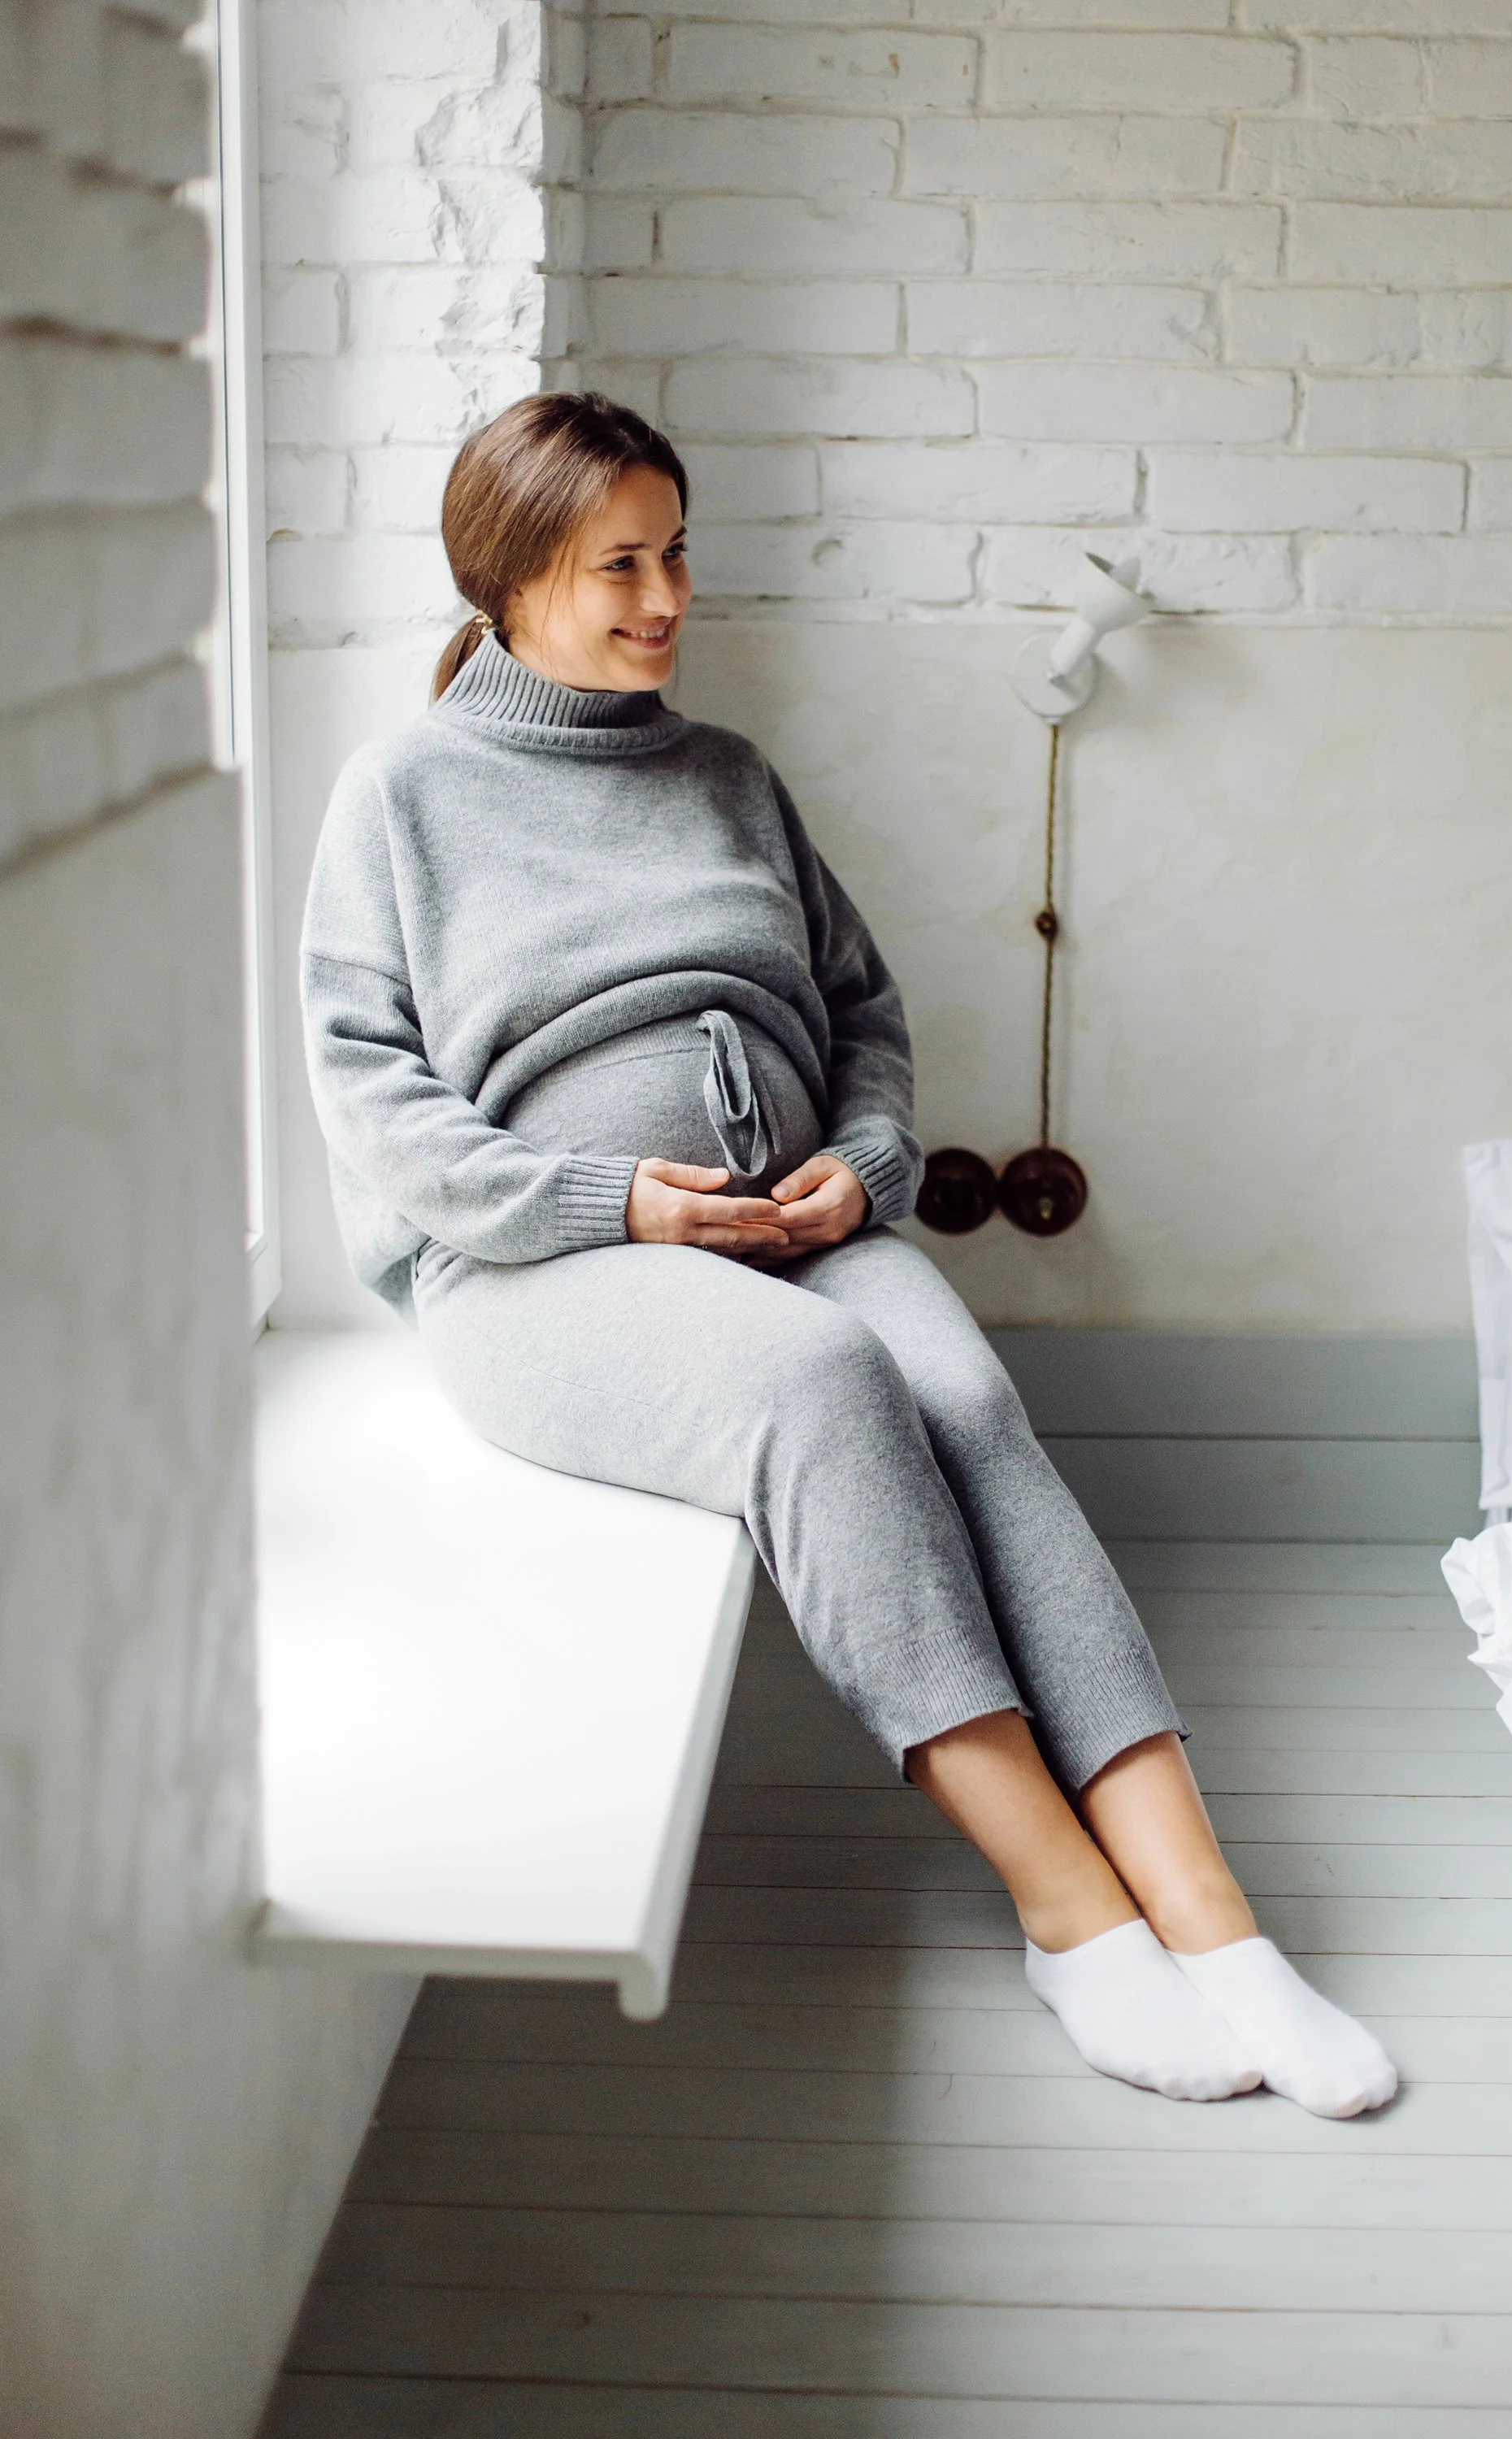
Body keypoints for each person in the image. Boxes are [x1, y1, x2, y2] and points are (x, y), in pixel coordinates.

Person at [302, 391, 1397, 2119]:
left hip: (789, 1218)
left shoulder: (727, 773)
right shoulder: (403, 798)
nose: (666, 599)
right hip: (540, 1270)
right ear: (508, 578)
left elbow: (864, 1012)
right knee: (823, 1384)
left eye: (677, 554)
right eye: (619, 565)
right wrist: (620, 1206)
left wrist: (860, 1165)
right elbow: (372, 1098)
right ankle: (1068, 1910)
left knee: (959, 1389)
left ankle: (1214, 1918)